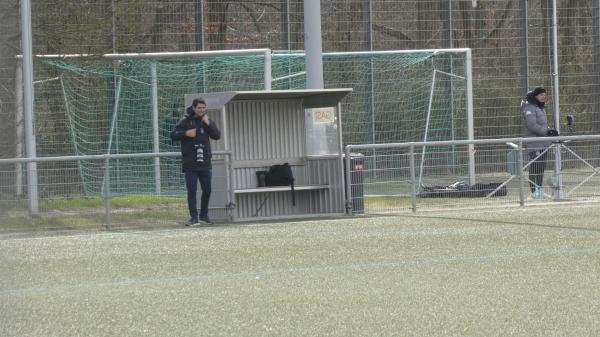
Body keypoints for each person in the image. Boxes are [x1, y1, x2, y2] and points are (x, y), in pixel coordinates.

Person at [171, 98, 221, 225]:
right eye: (199, 108)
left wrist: (208, 123)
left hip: (205, 162)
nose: (202, 110)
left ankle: (204, 215)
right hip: (190, 163)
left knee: (207, 190)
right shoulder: (185, 121)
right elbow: (173, 135)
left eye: (204, 108)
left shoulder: (206, 120)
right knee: (191, 191)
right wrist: (186, 133)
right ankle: (193, 218)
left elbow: (217, 135)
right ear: (193, 108)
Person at [521, 86, 558, 199]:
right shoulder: (530, 107)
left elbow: (541, 125)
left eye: (544, 95)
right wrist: (547, 131)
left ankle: (539, 191)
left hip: (543, 143)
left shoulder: (539, 107)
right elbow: (532, 125)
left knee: (540, 168)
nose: (543, 97)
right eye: (541, 95)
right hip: (534, 143)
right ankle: (534, 192)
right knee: (535, 167)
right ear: (536, 96)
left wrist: (550, 131)